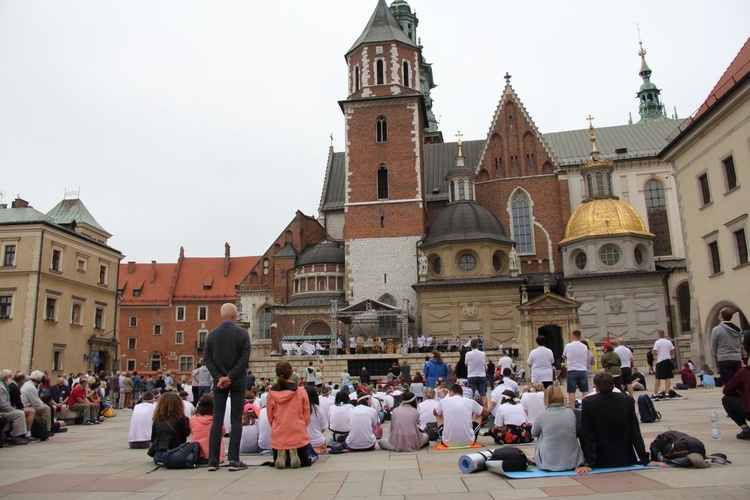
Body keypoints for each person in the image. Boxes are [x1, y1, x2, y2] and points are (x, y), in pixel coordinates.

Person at [576, 372, 667, 474]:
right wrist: (645, 459)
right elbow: (635, 431)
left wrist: (589, 463)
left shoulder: (588, 402)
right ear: (613, 385)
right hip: (625, 458)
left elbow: (589, 434)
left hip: (600, 460)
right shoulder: (627, 400)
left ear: (596, 388)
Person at [203, 303, 251, 471]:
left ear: (222, 315)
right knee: (236, 419)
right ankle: (233, 459)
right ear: (234, 315)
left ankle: (213, 461)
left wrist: (219, 377)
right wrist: (230, 377)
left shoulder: (211, 335)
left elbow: (207, 359)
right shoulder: (243, 334)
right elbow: (244, 360)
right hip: (237, 381)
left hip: (218, 382)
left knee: (217, 419)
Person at [267, 361, 311, 469]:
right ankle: (293, 451)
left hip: (279, 434)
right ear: (291, 373)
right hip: (297, 433)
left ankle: (282, 453)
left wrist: (275, 425)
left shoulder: (271, 393)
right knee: (306, 461)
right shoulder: (300, 391)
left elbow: (269, 415)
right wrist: (303, 425)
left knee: (280, 442)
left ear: (277, 374)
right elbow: (306, 413)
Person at [532, 386, 585, 471]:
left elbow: (534, 433)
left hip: (549, 461)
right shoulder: (570, 413)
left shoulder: (542, 415)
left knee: (542, 433)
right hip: (572, 460)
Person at [149, 392, 190, 464]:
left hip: (159, 454)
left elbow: (153, 438)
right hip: (176, 451)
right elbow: (184, 437)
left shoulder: (157, 418)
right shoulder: (182, 418)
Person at [711, 307, 744, 385]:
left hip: (723, 359)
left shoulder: (717, 330)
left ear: (721, 316)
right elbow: (739, 343)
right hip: (736, 358)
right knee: (737, 382)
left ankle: (731, 396)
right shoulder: (738, 330)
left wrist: (718, 354)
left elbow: (713, 346)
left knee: (728, 383)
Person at [0, 369, 30, 445]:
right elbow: (3, 405)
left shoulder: (4, 386)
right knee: (19, 414)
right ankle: (17, 436)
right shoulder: (1, 388)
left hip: (4, 410)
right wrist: (13, 410)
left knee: (20, 412)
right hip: (3, 411)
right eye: (11, 377)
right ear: (6, 378)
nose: (12, 379)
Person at [721, 363, 750, 439]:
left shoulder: (745, 372)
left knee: (727, 399)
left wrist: (742, 396)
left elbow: (727, 390)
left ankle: (746, 429)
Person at [562, 330, 589, 408]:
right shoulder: (584, 347)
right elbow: (586, 356)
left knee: (571, 391)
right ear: (580, 337)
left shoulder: (568, 346)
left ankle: (572, 408)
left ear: (572, 336)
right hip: (583, 370)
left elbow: (564, 356)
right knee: (585, 391)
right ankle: (586, 407)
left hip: (572, 370)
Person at [652, 329, 675, 399]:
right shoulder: (669, 342)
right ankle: (667, 393)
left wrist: (657, 353)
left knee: (657, 378)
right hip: (668, 360)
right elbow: (673, 352)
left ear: (659, 334)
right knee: (667, 378)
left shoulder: (657, 342)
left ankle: (655, 394)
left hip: (661, 360)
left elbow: (654, 352)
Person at [305, 385, 328, 455]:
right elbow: (323, 429)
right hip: (319, 442)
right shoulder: (319, 409)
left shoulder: (297, 410)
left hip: (303, 444)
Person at [465, 340, 488, 405]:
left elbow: (466, 364)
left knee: (471, 395)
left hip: (471, 375)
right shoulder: (483, 353)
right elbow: (484, 363)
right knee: (483, 395)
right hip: (481, 375)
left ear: (471, 346)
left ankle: (471, 410)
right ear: (477, 345)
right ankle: (485, 410)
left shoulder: (468, 354)